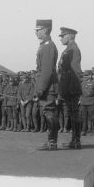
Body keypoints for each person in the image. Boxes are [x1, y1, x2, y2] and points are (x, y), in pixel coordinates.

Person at [34, 19, 60, 150]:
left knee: (49, 112)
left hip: (48, 86)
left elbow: (47, 70)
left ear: (45, 30)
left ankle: (52, 142)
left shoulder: (48, 45)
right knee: (48, 113)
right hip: (47, 85)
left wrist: (41, 88)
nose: (36, 33)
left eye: (38, 30)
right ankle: (51, 141)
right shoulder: (45, 45)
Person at [57, 27, 83, 148]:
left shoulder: (73, 49)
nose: (61, 38)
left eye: (63, 36)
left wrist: (72, 89)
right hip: (68, 86)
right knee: (72, 114)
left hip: (71, 87)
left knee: (74, 114)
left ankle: (76, 141)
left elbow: (75, 71)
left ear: (70, 36)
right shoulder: (69, 49)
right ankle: (75, 140)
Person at [79, 70, 94, 136]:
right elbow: (80, 93)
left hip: (92, 103)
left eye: (87, 75)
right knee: (84, 117)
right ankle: (84, 130)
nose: (85, 77)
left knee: (93, 117)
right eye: (85, 75)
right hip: (83, 102)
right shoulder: (82, 83)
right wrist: (80, 100)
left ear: (91, 76)